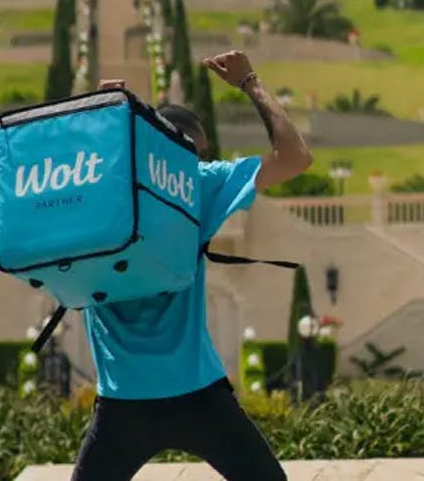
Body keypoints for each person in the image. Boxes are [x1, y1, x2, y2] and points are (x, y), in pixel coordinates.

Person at [72, 50, 313, 481]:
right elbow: (294, 157)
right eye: (194, 153)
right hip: (196, 392)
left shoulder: (101, 191)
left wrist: (102, 119)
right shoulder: (197, 187)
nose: (194, 163)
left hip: (124, 399)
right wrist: (250, 82)